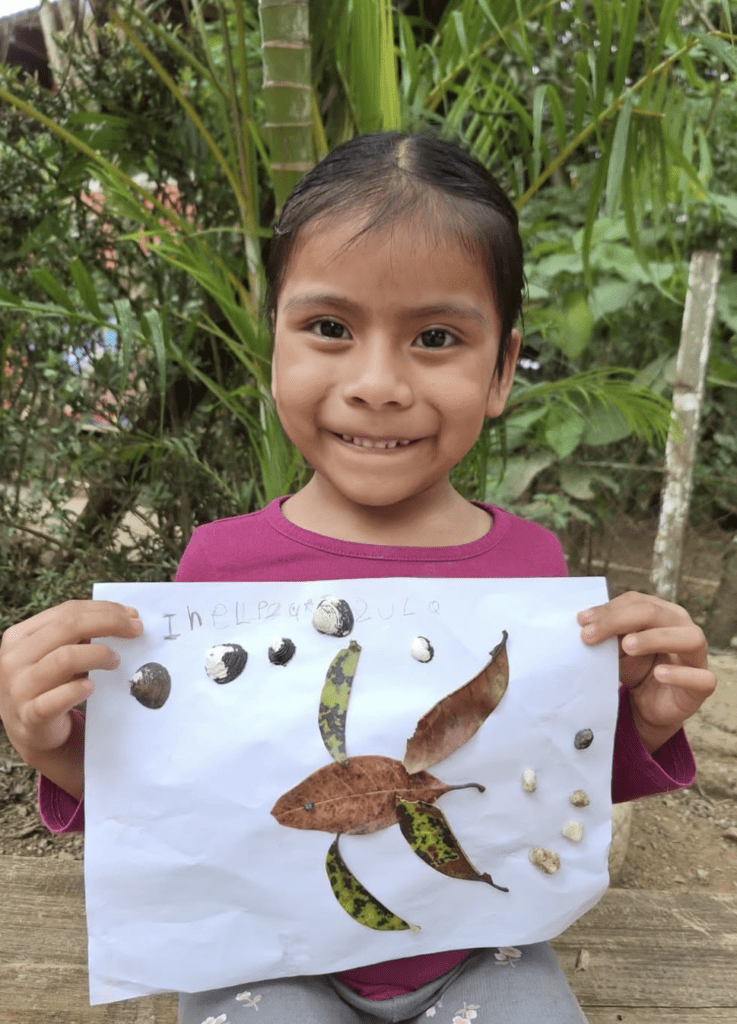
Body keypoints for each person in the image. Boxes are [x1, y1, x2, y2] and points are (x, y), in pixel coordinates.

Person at [0, 132, 716, 1024]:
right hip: (261, 956)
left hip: (480, 948)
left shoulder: (530, 570)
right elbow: (173, 793)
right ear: (275, 344)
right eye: (330, 328)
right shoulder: (216, 572)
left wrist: (640, 723)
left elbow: (533, 779)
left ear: (500, 369)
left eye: (436, 337)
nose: (377, 383)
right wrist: (50, 742)